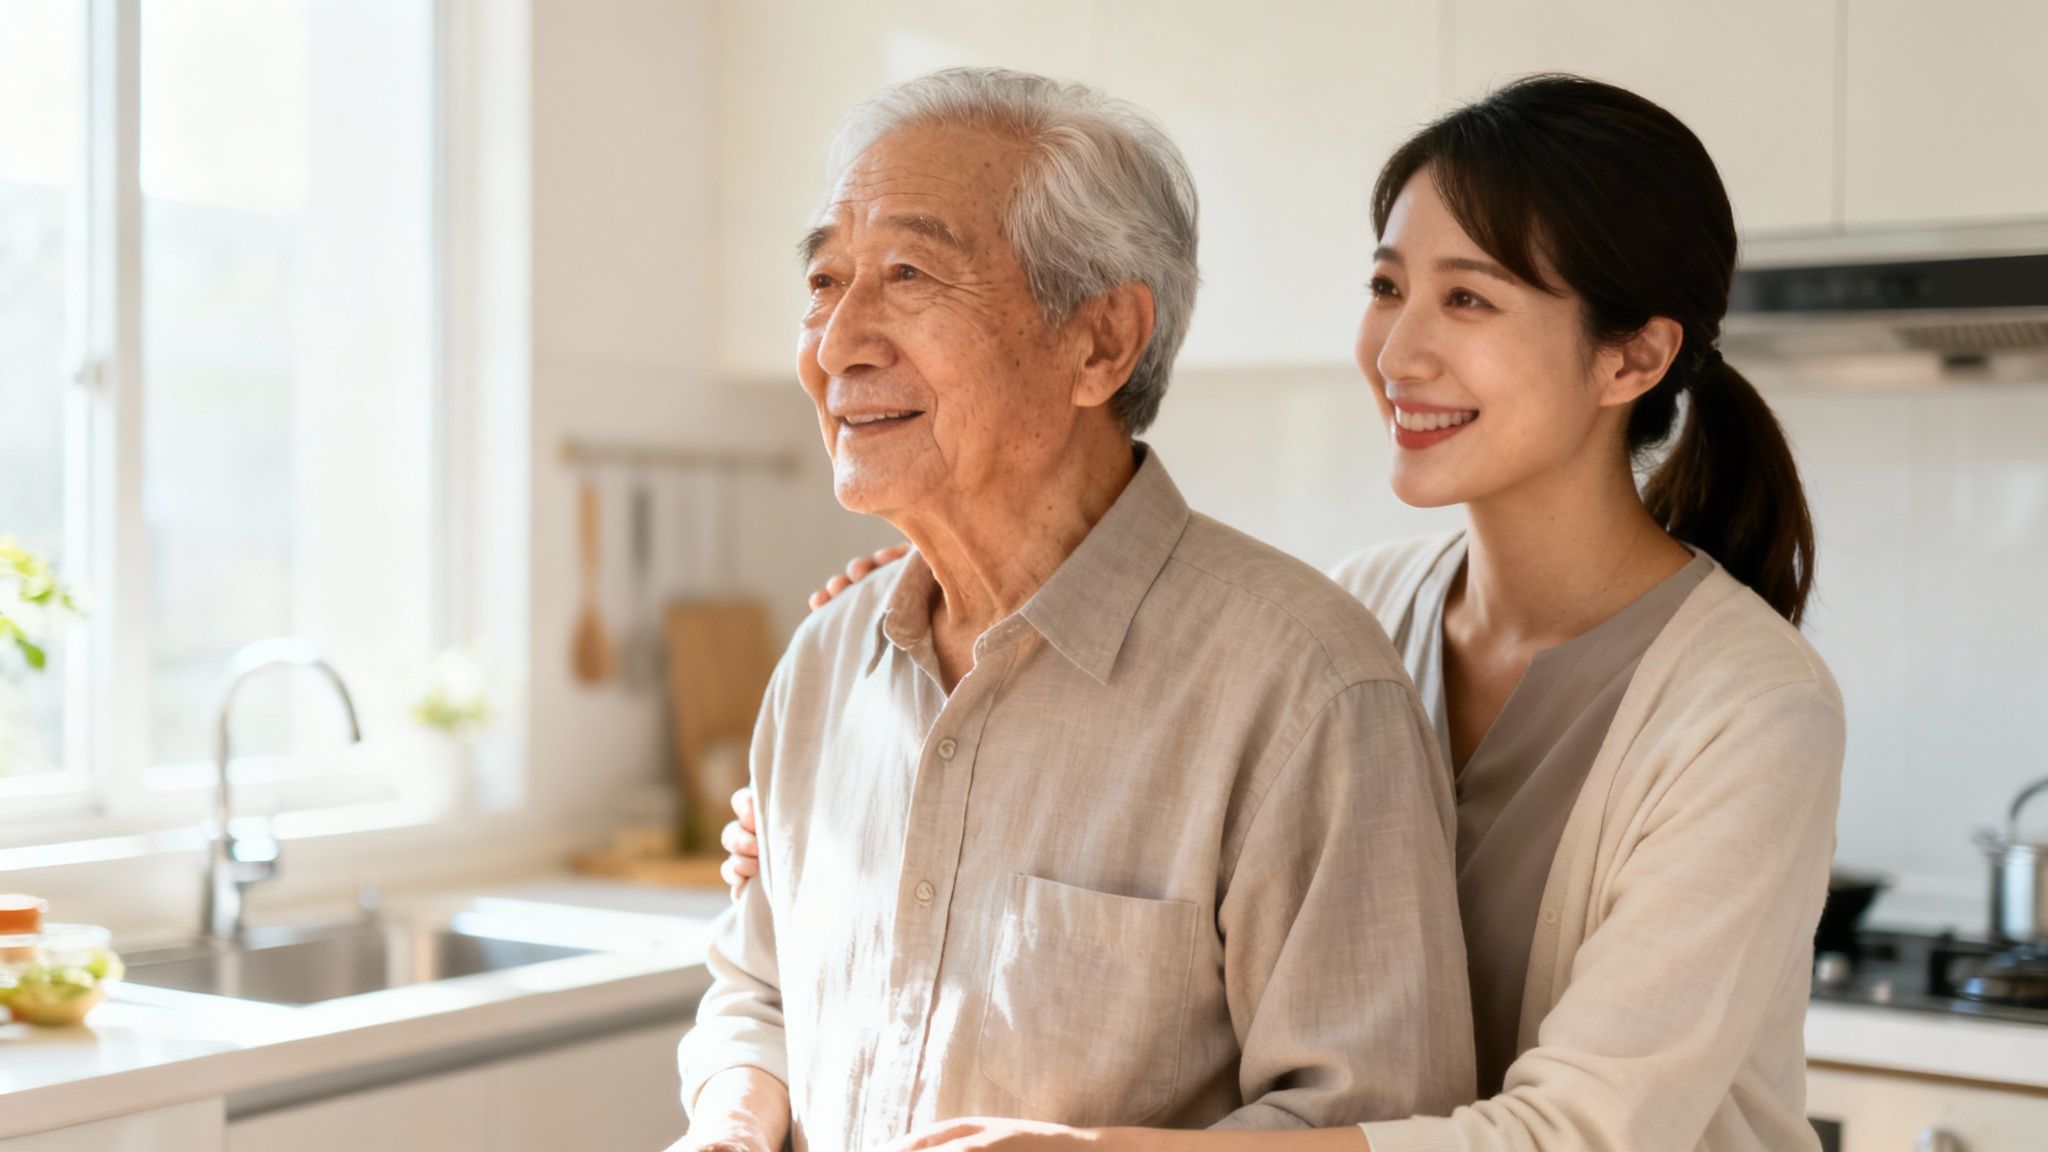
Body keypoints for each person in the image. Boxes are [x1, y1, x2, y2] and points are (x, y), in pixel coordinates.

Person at [723, 74, 1846, 1152]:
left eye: (1467, 297)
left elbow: (1581, 1135)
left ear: (1634, 355)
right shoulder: (1368, 606)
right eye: (1386, 288)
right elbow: (1152, 645)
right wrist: (907, 745)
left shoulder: (1745, 707)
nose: (1397, 350)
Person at [671, 67, 1476, 1152]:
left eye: (907, 274)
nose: (836, 341)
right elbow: (759, 992)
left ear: (1099, 343)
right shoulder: (823, 663)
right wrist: (732, 1119)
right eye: (824, 280)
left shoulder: (1305, 691)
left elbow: (1378, 1123)